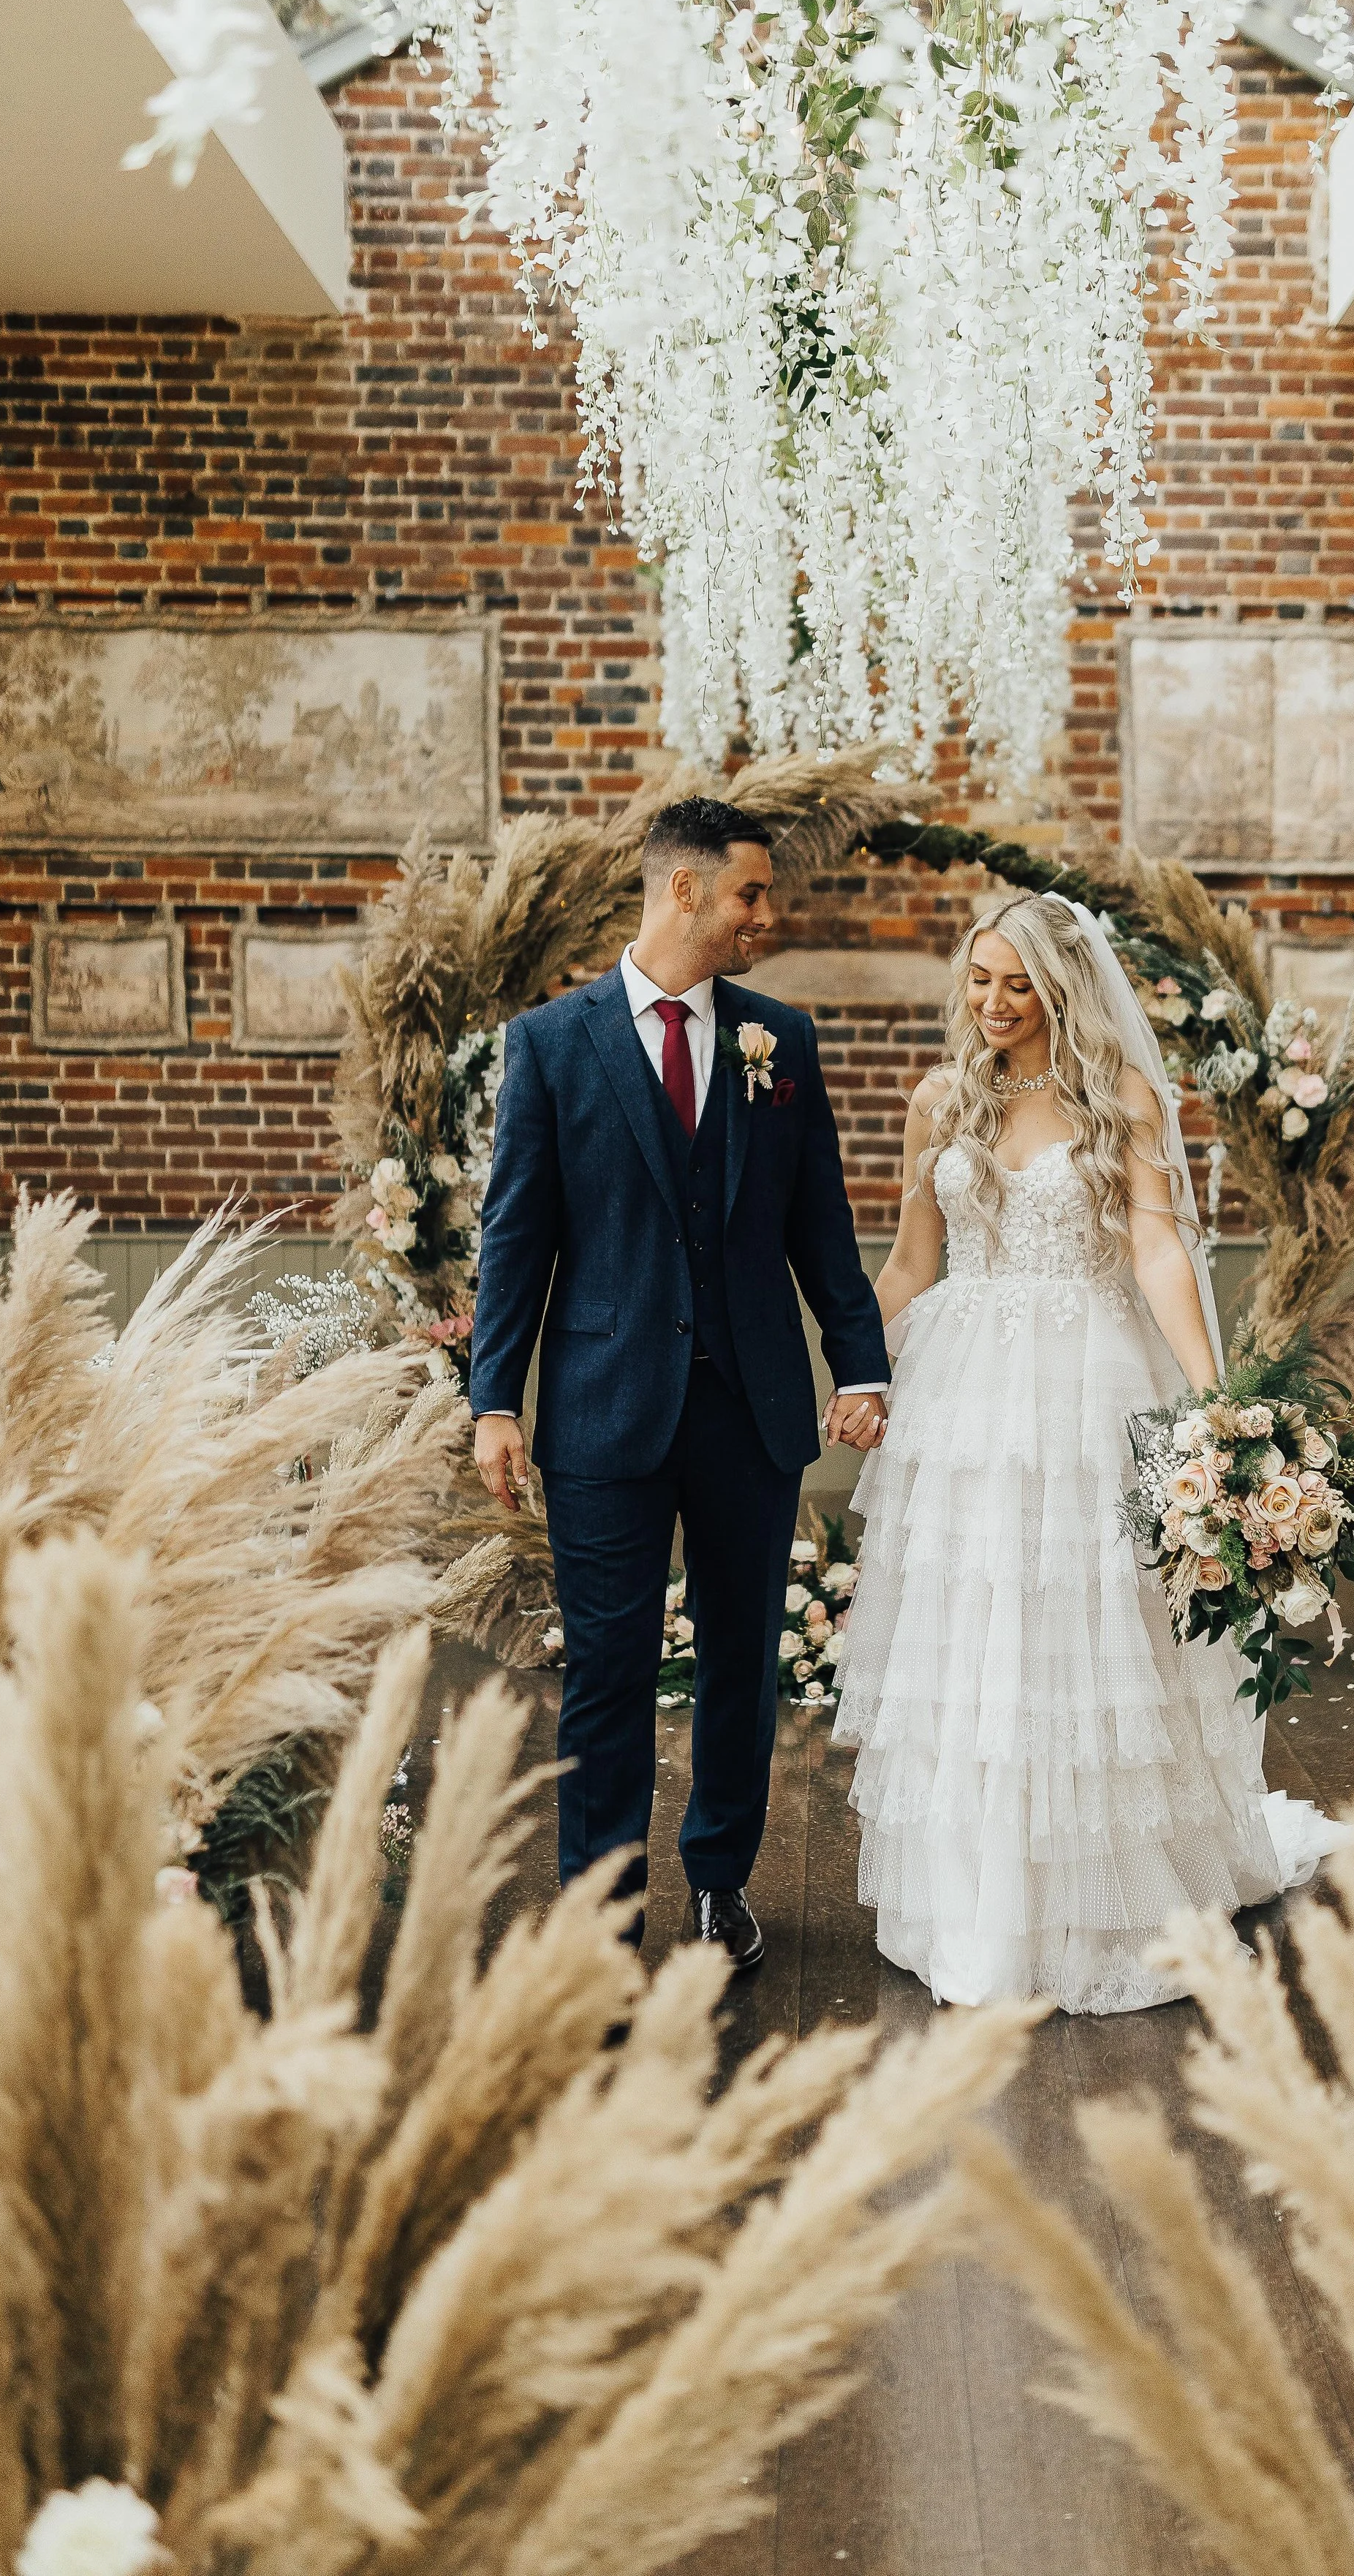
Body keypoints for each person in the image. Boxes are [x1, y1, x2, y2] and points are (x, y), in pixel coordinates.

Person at [833, 891, 1345, 2015]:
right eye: (979, 978)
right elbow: (912, 1264)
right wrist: (860, 1372)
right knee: (974, 1631)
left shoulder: (1117, 1100)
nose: (993, 1002)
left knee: (1086, 1630)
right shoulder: (940, 1101)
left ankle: (1095, 1899)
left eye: (1017, 983)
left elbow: (1158, 1249)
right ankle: (975, 1904)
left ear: (1064, 988)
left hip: (1088, 1382)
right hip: (963, 1393)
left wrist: (1217, 1404)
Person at [469, 796, 890, 1971]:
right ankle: (598, 1918)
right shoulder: (553, 1044)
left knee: (742, 1662)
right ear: (686, 890)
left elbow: (822, 1230)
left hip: (751, 1409)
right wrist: (494, 1398)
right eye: (754, 892)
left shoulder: (780, 1042)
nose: (771, 915)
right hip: (605, 1411)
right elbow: (517, 1237)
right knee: (605, 1672)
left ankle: (720, 1882)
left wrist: (860, 1360)